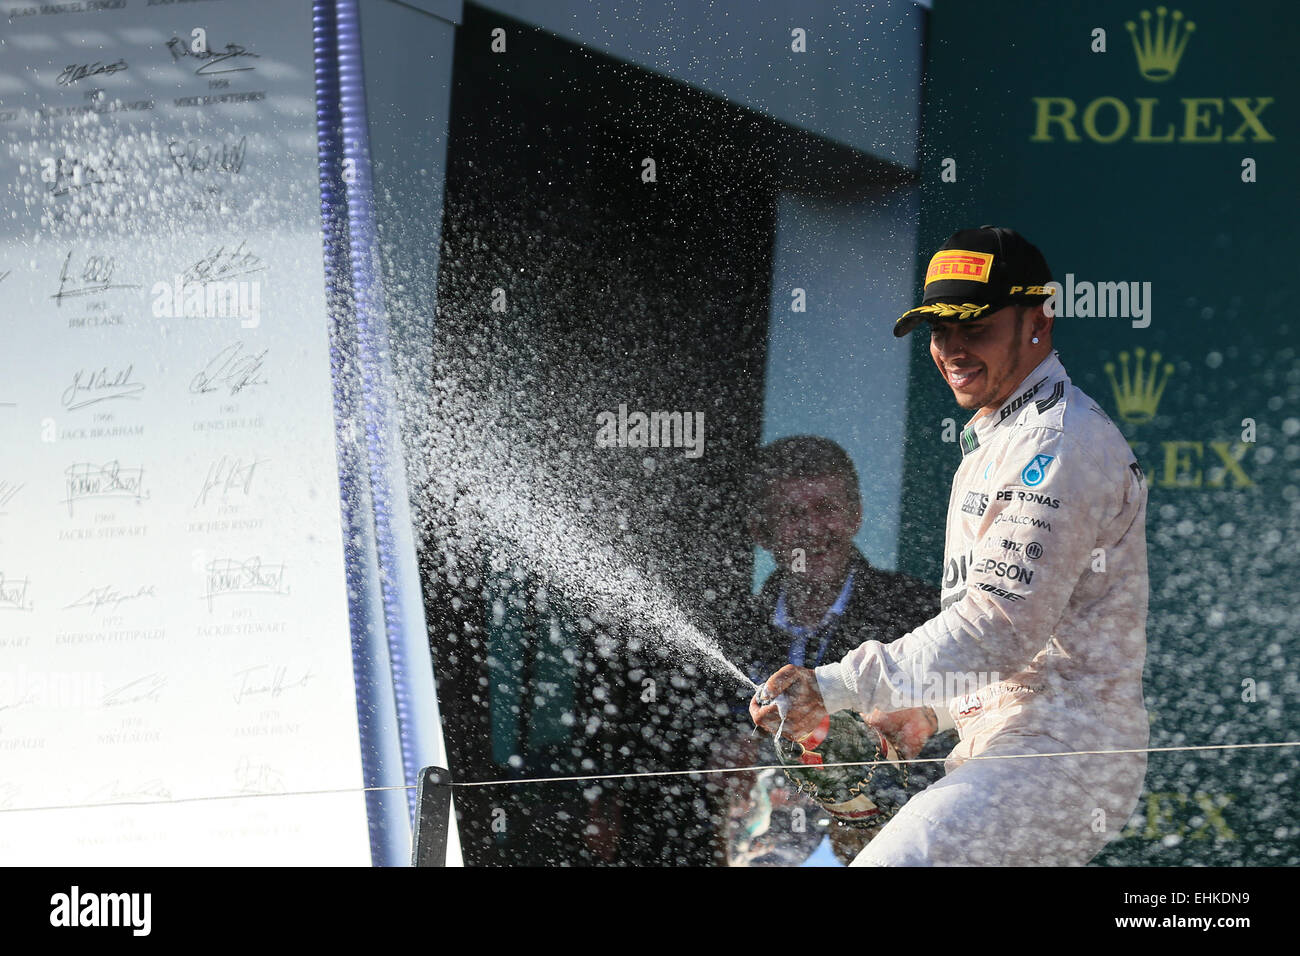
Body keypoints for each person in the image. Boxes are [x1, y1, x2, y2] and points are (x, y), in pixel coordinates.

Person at [751, 226, 1150, 866]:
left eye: (976, 327)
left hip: (1059, 755)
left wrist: (833, 685)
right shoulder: (1000, 434)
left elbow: (996, 628)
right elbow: (1015, 642)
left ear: (1038, 321)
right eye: (940, 331)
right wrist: (929, 712)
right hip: (1010, 745)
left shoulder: (1055, 444)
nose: (954, 349)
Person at [717, 436, 952, 865]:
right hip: (762, 848)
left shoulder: (917, 614)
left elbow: (960, 723)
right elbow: (714, 752)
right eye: (791, 514)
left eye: (827, 508)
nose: (812, 528)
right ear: (761, 531)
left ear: (856, 515)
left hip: (891, 842)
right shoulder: (736, 631)